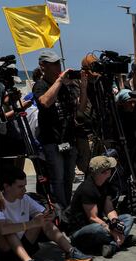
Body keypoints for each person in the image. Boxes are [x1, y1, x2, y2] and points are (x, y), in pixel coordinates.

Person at [0, 167, 93, 261]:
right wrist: (32, 223)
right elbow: (3, 229)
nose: (24, 190)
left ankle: (70, 251)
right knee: (7, 227)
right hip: (5, 253)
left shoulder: (25, 198)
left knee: (43, 220)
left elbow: (41, 213)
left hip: (25, 245)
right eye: (20, 186)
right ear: (6, 186)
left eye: (25, 185)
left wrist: (48, 215)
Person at [33, 50, 88, 207]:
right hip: (52, 141)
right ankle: (61, 212)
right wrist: (59, 81)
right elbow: (44, 102)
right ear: (43, 66)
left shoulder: (64, 87)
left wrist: (83, 88)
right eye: (54, 63)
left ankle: (66, 209)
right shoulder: (40, 85)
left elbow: (80, 109)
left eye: (59, 62)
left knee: (68, 179)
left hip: (68, 140)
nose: (58, 66)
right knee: (57, 179)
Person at [65, 156, 136, 258]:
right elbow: (92, 218)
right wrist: (113, 231)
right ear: (104, 172)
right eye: (109, 170)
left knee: (127, 218)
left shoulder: (105, 184)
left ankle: (112, 245)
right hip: (81, 231)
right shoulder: (87, 189)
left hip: (99, 224)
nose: (112, 172)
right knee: (99, 229)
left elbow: (109, 209)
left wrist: (115, 224)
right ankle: (121, 240)